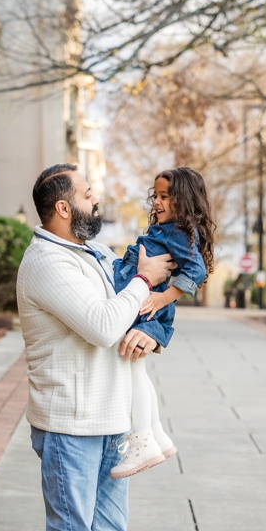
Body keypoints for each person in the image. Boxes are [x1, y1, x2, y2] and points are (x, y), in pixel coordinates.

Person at [15, 163, 175, 531]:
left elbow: (132, 320)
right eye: (88, 193)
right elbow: (105, 324)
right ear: (63, 207)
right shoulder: (45, 264)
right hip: (69, 427)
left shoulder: (92, 255)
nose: (97, 198)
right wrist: (141, 282)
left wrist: (149, 327)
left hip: (109, 421)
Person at [108, 167, 214, 477]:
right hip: (146, 308)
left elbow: (196, 271)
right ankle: (156, 435)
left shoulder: (176, 232)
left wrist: (162, 298)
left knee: (132, 373)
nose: (157, 202)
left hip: (146, 310)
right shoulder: (169, 230)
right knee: (137, 371)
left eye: (166, 196)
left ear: (184, 201)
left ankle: (142, 442)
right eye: (156, 195)